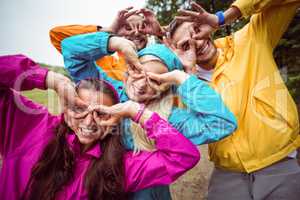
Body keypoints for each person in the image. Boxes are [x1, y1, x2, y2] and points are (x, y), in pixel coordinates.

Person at [61, 30, 237, 199]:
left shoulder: (169, 119)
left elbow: (221, 123)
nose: (143, 84)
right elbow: (70, 50)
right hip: (94, 188)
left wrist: (181, 78)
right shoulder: (109, 93)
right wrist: (115, 42)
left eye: (155, 79)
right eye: (139, 71)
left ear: (166, 87)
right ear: (129, 68)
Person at [0, 54, 201, 200]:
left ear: (114, 118)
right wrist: (50, 79)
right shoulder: (30, 127)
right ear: (65, 107)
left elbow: (184, 157)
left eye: (101, 113)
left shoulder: (120, 165)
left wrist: (137, 112)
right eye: (79, 109)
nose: (89, 122)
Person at [168, 1, 300, 199]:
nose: (197, 41)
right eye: (186, 44)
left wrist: (222, 17)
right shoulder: (185, 85)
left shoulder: (250, 39)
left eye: (196, 30)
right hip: (227, 175)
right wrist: (186, 71)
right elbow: (178, 128)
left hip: (279, 165)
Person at [50, 7, 164, 81]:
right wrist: (109, 30)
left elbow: (179, 54)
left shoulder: (162, 59)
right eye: (128, 28)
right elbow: (57, 35)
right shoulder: (104, 62)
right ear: (120, 35)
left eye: (141, 27)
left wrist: (160, 34)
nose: (136, 32)